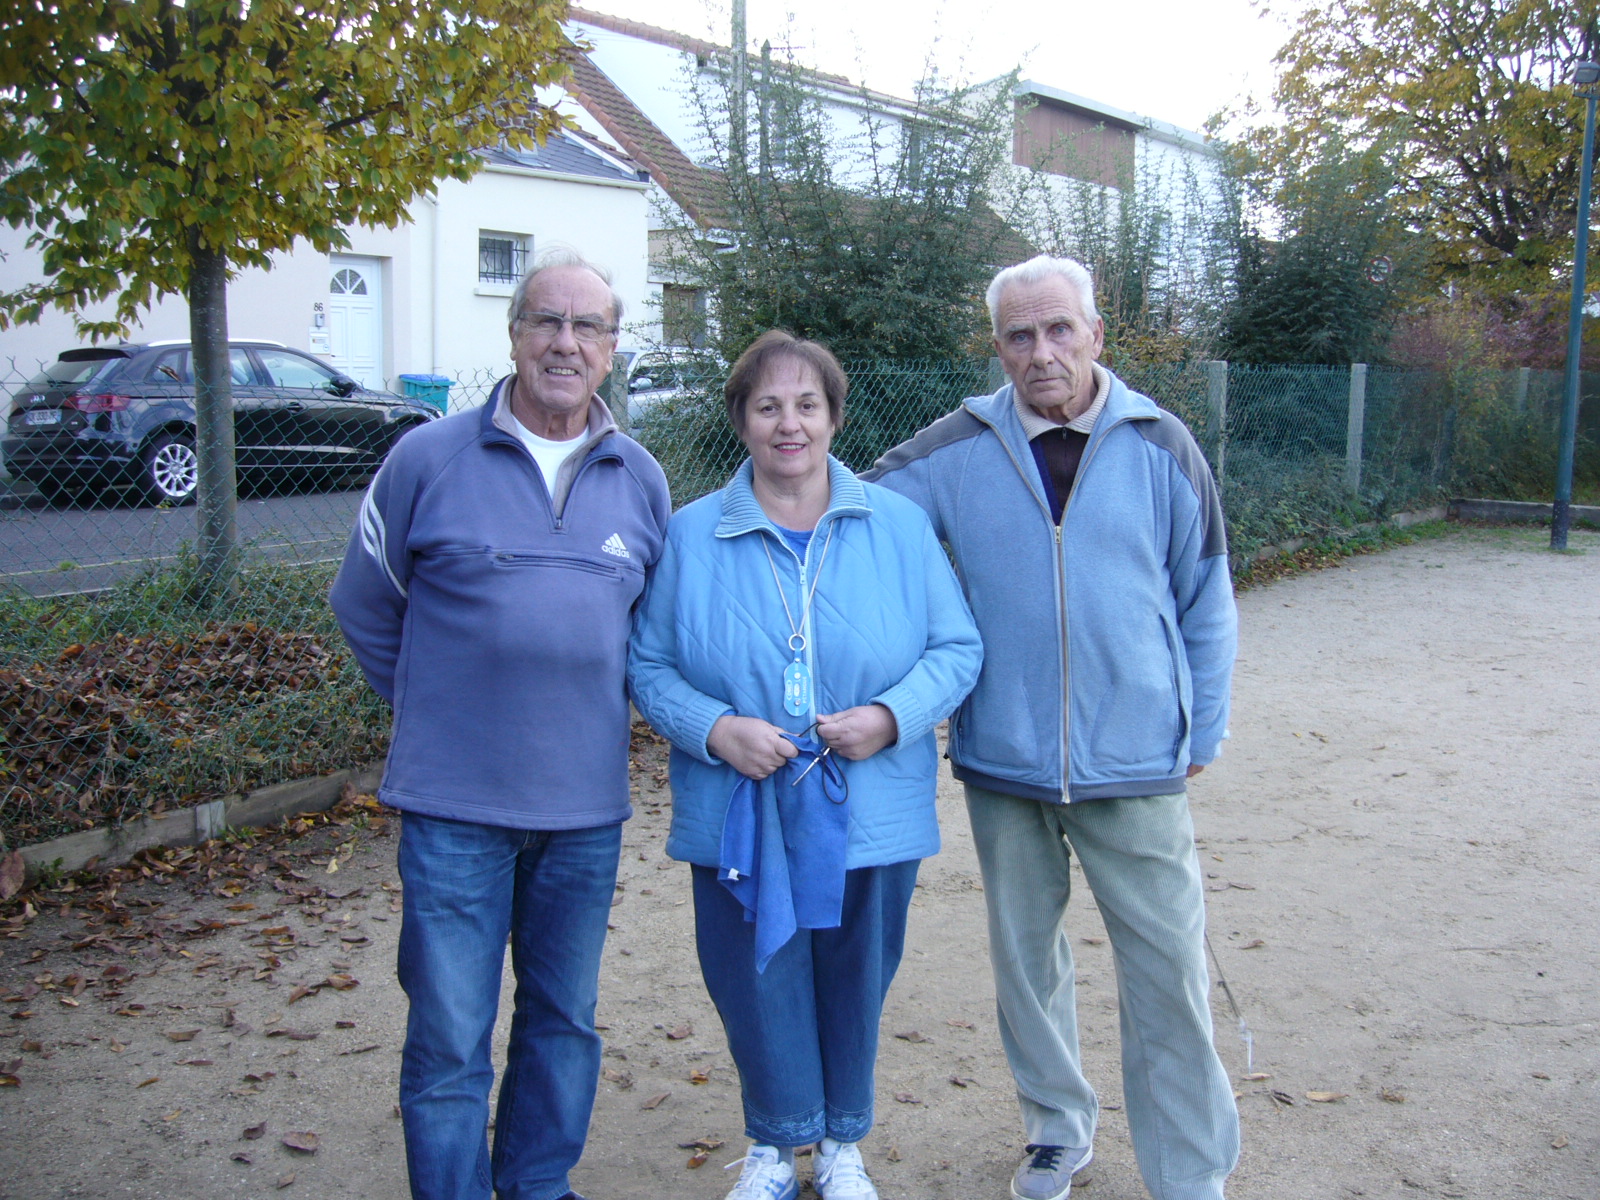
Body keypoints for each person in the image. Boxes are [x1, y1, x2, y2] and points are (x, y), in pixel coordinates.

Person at [862, 254, 1240, 1200]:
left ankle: (1190, 1171)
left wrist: (1202, 730)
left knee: (1168, 977)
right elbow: (849, 510)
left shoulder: (1161, 442)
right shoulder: (953, 447)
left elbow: (1207, 595)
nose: (1042, 353)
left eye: (1060, 329)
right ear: (997, 347)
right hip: (1006, 759)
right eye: (1020, 336)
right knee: (1027, 965)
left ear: (1096, 333)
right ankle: (1056, 1130)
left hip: (1139, 758)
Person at [329, 249, 670, 1200]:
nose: (565, 343)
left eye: (587, 327)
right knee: (448, 1032)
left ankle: (537, 1185)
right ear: (514, 333)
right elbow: (366, 602)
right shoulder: (425, 459)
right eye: (546, 322)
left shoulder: (640, 480)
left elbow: (650, 635)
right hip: (452, 809)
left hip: (583, 814)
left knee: (564, 1021)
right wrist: (438, 708)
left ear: (610, 349)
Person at [628, 330, 982, 1200]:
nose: (790, 424)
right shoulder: (690, 535)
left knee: (857, 969)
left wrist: (891, 717)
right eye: (768, 406)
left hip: (870, 803)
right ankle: (774, 1142)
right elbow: (647, 664)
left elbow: (957, 648)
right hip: (740, 803)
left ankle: (843, 1144)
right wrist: (714, 730)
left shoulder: (898, 526)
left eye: (807, 405)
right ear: (741, 422)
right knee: (754, 975)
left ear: (833, 417)